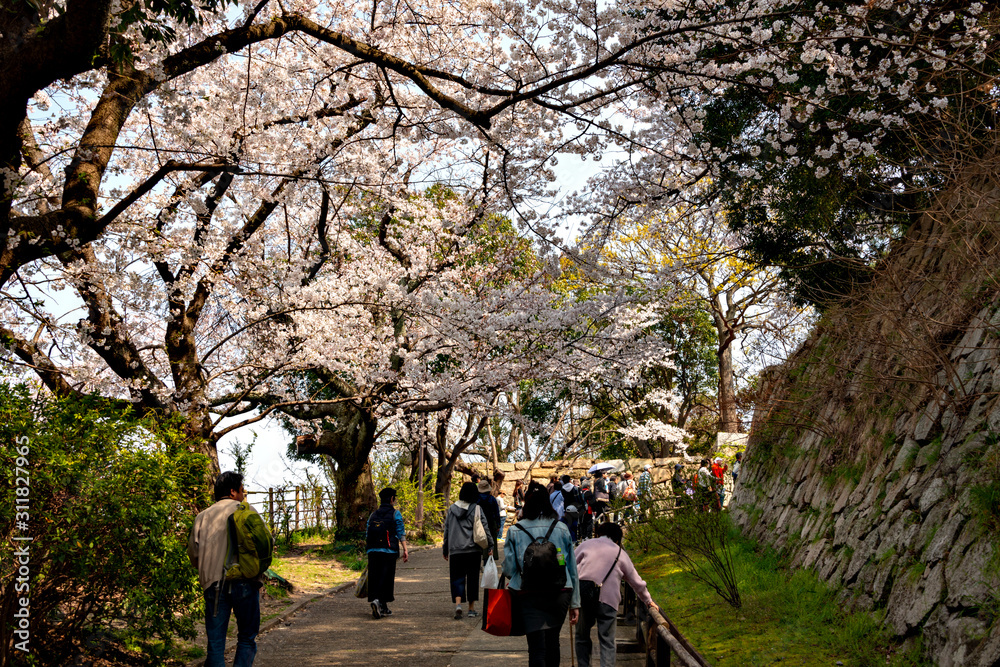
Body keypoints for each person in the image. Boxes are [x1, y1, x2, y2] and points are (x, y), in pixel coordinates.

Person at [188, 471, 270, 667]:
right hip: (245, 582)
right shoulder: (247, 511)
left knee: (215, 645)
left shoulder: (202, 517)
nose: (244, 494)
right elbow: (265, 543)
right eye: (242, 490)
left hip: (214, 585)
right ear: (233, 492)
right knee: (246, 638)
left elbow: (193, 553)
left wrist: (209, 570)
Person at [503, 482, 580, 667]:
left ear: (526, 502)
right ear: (548, 502)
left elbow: (509, 569)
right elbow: (570, 567)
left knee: (536, 646)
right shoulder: (561, 528)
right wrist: (575, 603)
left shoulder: (515, 530)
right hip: (560, 592)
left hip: (528, 593)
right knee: (553, 641)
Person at [575, 522, 658, 667]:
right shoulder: (620, 553)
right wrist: (648, 600)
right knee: (607, 640)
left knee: (582, 636)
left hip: (584, 596)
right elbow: (636, 582)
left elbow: (571, 566)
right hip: (608, 599)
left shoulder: (586, 545)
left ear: (598, 534)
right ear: (618, 539)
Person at [444, 481, 494, 619]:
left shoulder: (451, 509)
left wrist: (445, 548)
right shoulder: (477, 508)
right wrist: (490, 545)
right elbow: (485, 528)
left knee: (456, 578)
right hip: (473, 550)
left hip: (455, 550)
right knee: (472, 579)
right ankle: (471, 609)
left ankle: (458, 605)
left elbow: (446, 530)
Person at [366, 487, 409, 618]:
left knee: (375, 577)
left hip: (373, 550)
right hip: (389, 551)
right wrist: (405, 549)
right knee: (386, 578)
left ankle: (381, 606)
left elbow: (367, 532)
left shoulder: (373, 514)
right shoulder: (395, 514)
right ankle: (379, 602)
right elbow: (400, 531)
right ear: (391, 499)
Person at [476, 479, 502, 558]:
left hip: (479, 522)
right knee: (492, 539)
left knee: (480, 540)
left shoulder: (477, 499)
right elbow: (497, 513)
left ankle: (481, 556)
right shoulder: (492, 499)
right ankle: (491, 556)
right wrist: (498, 524)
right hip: (491, 522)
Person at [559, 475, 584, 541]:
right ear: (570, 480)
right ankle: (575, 539)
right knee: (575, 525)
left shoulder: (562, 490)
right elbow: (580, 499)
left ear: (563, 481)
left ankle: (569, 539)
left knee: (567, 525)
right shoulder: (575, 488)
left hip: (566, 510)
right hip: (575, 509)